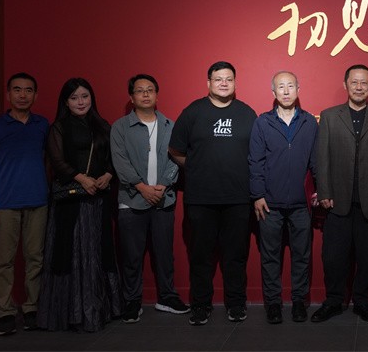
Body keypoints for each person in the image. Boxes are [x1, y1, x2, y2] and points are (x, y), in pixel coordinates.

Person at [169, 61, 258, 326]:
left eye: (228, 79)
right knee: (200, 257)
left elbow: (257, 154)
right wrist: (196, 166)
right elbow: (175, 150)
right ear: (208, 83)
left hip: (238, 199)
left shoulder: (247, 113)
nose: (223, 83)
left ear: (235, 83)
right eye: (218, 79)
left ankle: (236, 304)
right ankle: (200, 306)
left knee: (235, 257)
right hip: (201, 199)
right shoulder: (193, 112)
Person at [38, 77, 122, 332]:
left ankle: (100, 310)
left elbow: (114, 156)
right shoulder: (58, 127)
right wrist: (81, 178)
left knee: (97, 252)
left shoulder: (103, 125)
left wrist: (108, 174)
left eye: (85, 96)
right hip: (72, 202)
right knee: (72, 253)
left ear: (91, 98)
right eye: (74, 98)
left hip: (98, 199)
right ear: (66, 102)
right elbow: (57, 160)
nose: (80, 102)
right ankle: (72, 314)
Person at [110, 74, 188, 324]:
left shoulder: (169, 125)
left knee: (164, 254)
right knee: (131, 256)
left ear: (156, 94)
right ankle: (132, 301)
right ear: (131, 97)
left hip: (163, 198)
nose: (145, 94)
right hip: (131, 199)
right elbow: (120, 162)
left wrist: (163, 185)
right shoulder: (120, 127)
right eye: (139, 90)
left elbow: (177, 158)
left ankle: (167, 297)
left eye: (150, 90)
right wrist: (142, 187)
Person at [312, 65, 368, 323]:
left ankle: (362, 301)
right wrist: (324, 190)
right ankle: (333, 301)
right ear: (345, 85)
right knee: (333, 258)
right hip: (337, 200)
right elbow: (322, 157)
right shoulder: (329, 116)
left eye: (364, 83)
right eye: (354, 82)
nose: (359, 87)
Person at [0, 73, 50, 336]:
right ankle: (5, 312)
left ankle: (31, 308)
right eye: (17, 90)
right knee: (4, 261)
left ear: (35, 95)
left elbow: (47, 160)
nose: (22, 95)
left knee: (35, 258)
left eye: (28, 90)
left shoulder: (42, 125)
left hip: (38, 201)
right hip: (5, 203)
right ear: (8, 94)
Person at [249, 71, 318, 324]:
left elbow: (316, 161)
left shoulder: (310, 122)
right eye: (281, 87)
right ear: (273, 92)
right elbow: (255, 162)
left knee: (302, 255)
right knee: (270, 257)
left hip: (301, 204)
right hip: (269, 204)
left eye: (290, 86)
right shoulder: (262, 123)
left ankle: (299, 302)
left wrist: (319, 189)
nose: (286, 91)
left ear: (298, 89)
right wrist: (257, 195)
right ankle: (273, 304)